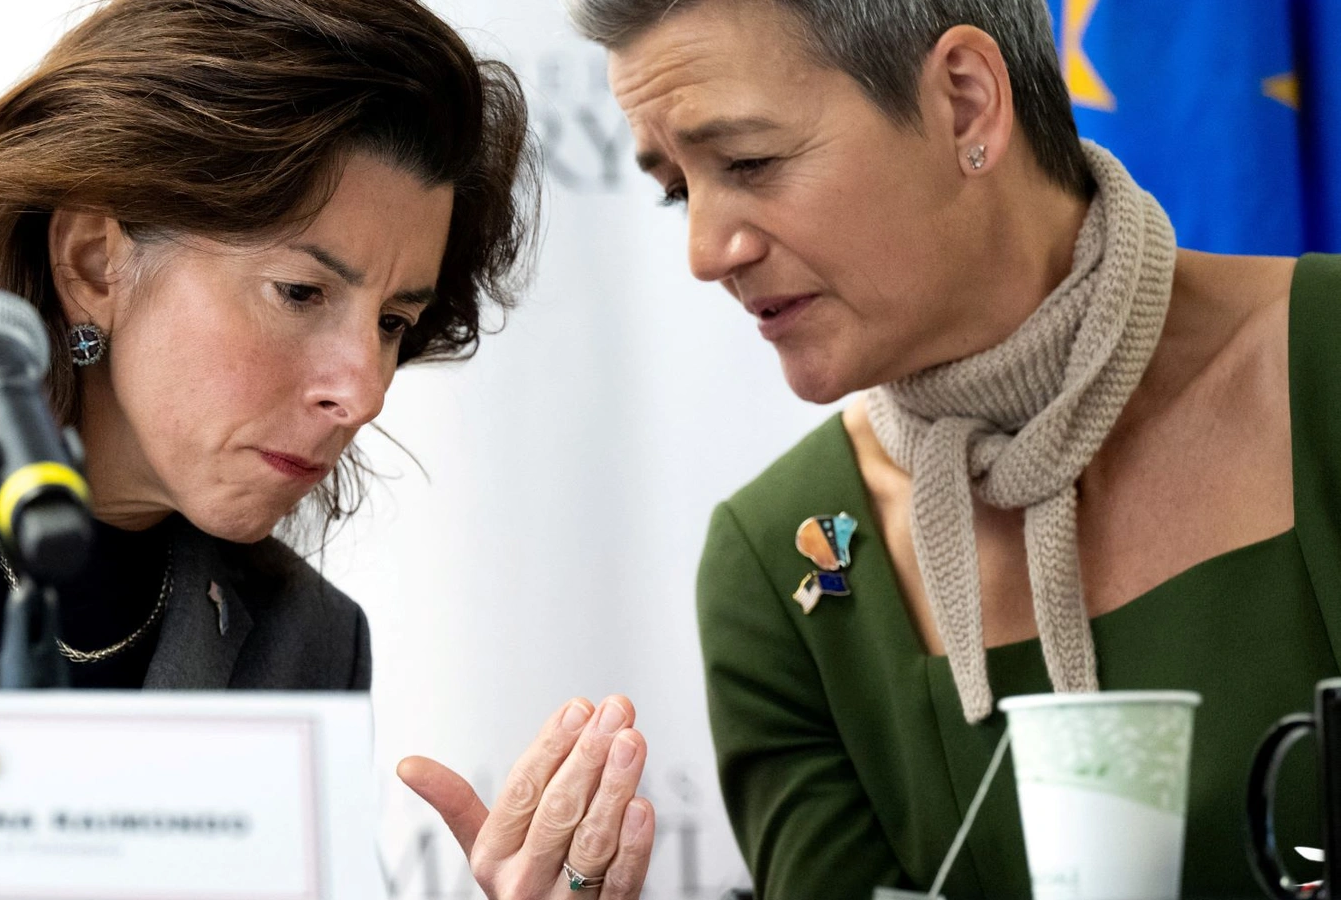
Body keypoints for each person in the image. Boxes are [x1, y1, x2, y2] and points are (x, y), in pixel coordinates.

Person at [0, 0, 653, 895]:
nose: (364, 389)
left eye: (392, 321)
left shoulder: (309, 647)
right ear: (95, 262)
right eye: (300, 292)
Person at [566, 0, 1341, 896]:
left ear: (967, 103)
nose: (705, 250)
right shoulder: (779, 559)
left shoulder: (1323, 362)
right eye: (677, 189)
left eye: (750, 161)